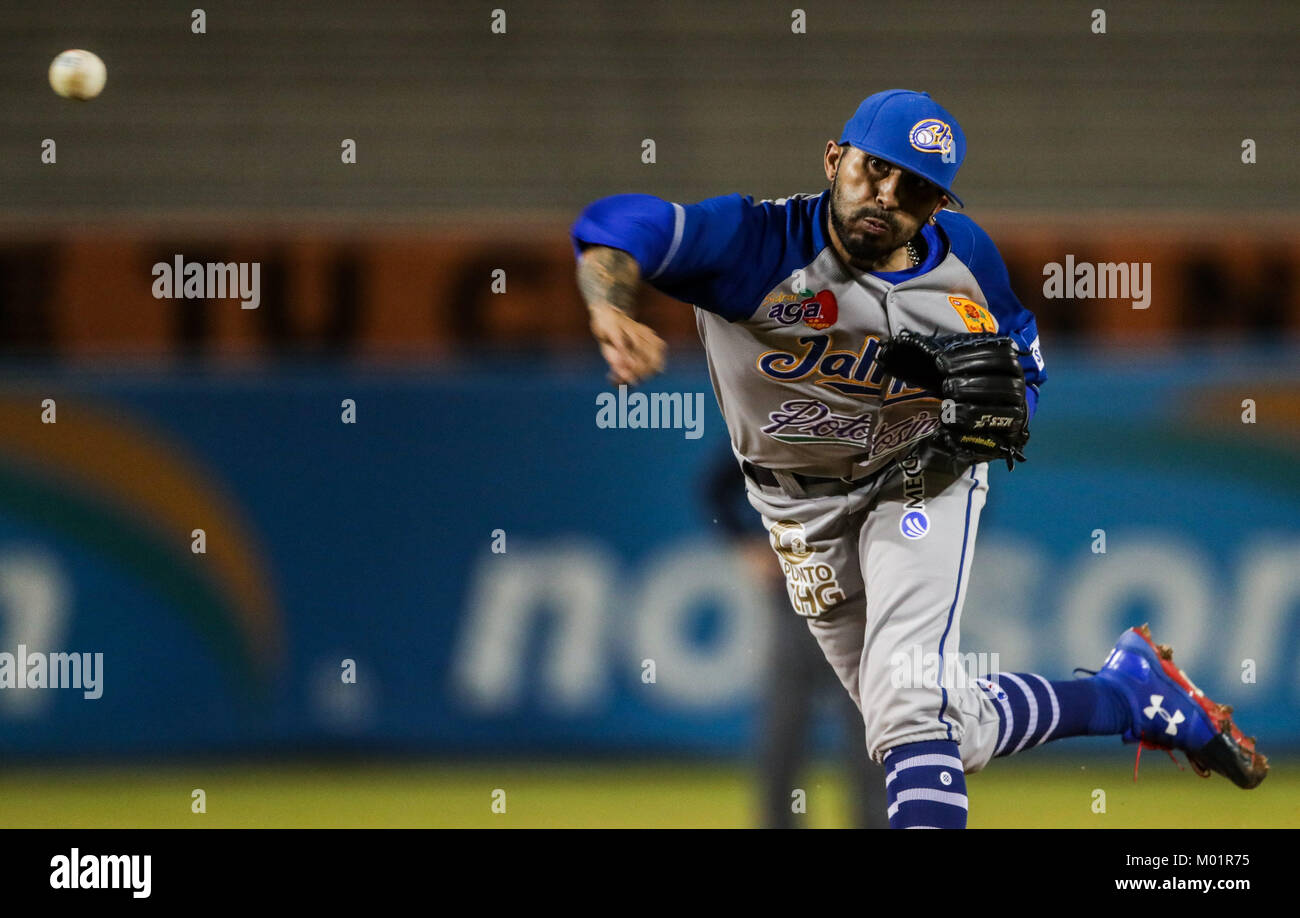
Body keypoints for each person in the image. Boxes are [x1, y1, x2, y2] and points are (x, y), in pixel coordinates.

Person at [572, 89, 1266, 828]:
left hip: (919, 479)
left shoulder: (967, 260)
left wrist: (1008, 415)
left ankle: (1126, 695)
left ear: (937, 203)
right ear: (834, 159)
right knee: (938, 726)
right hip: (797, 512)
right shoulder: (756, 243)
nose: (887, 196)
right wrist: (609, 302)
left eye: (917, 187)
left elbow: (1024, 367)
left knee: (906, 705)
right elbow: (615, 224)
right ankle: (1130, 694)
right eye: (875, 170)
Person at [702, 447, 888, 829]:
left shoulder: (880, 419)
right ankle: (779, 822)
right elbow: (715, 487)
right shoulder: (780, 418)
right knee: (786, 723)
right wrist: (745, 544)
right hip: (799, 587)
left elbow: (949, 492)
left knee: (872, 727)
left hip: (869, 595)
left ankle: (876, 821)